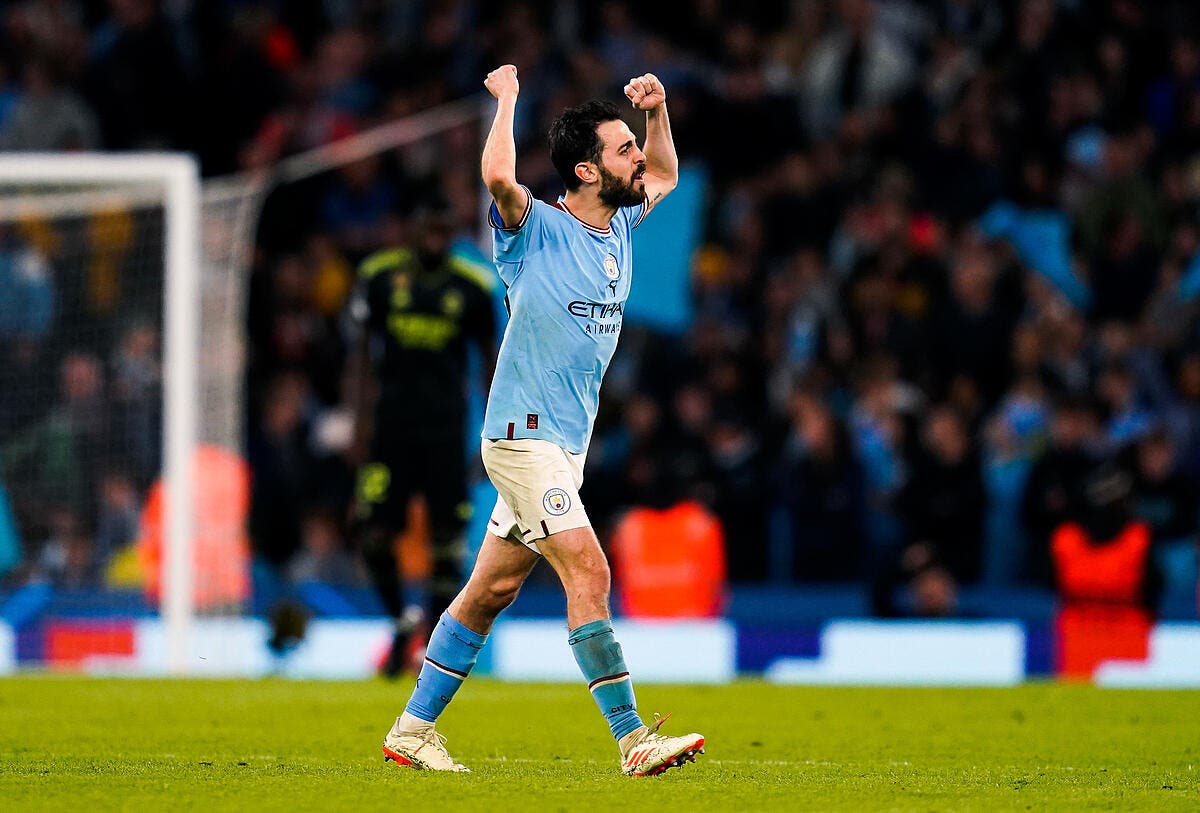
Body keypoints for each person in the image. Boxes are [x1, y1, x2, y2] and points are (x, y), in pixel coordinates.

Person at [379, 65, 705, 777]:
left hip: (562, 446)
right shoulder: (534, 231)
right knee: (588, 567)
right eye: (623, 150)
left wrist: (655, 114)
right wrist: (506, 101)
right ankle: (632, 738)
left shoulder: (620, 220)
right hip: (522, 439)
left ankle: (412, 728)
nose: (638, 160)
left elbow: (671, 173)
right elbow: (498, 176)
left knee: (489, 591)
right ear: (586, 169)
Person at [348, 201, 497, 677]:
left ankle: (425, 647)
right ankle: (398, 620)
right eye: (427, 226)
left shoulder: (473, 289)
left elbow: (489, 367)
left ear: (452, 231)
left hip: (444, 433)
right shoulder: (378, 277)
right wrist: (358, 425)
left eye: (443, 228)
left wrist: (492, 436)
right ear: (411, 228)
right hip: (389, 430)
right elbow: (361, 358)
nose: (434, 236)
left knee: (448, 543)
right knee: (374, 534)